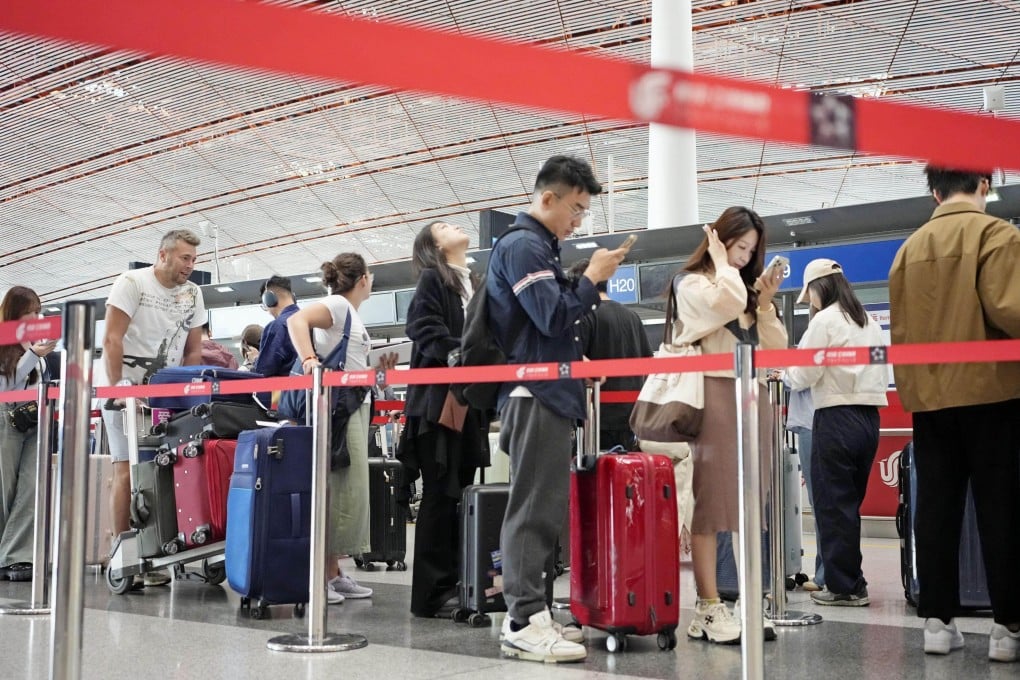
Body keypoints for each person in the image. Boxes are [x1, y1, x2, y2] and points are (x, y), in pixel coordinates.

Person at [487, 155, 628, 664]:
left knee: (544, 508)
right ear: (547, 198)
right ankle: (523, 618)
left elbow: (546, 326)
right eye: (575, 208)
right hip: (535, 395)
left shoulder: (538, 247)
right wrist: (591, 279)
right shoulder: (523, 245)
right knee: (532, 508)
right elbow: (548, 316)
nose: (578, 220)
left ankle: (534, 613)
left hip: (548, 391)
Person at [889, 166, 1020, 661]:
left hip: (929, 398)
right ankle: (1008, 628)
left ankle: (937, 624)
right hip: (991, 393)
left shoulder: (909, 249)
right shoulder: (997, 235)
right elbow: (1011, 309)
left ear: (934, 191)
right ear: (984, 185)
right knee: (999, 509)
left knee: (936, 509)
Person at [674, 207, 786, 644]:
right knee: (711, 504)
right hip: (711, 393)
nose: (744, 257)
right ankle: (707, 606)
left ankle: (746, 601)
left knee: (748, 505)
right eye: (739, 247)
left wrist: (766, 303)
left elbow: (775, 347)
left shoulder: (742, 289)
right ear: (719, 241)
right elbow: (723, 305)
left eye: (751, 251)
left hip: (749, 393)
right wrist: (723, 266)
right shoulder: (694, 283)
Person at [287, 253, 397, 606]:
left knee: (345, 487)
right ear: (363, 279)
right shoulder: (336, 304)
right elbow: (296, 321)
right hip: (337, 407)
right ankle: (319, 574)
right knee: (336, 487)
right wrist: (308, 360)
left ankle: (332, 572)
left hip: (350, 404)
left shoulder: (350, 314)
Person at [101, 229, 207, 588]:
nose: (190, 266)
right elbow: (112, 338)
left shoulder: (193, 293)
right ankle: (122, 551)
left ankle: (159, 549)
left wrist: (189, 392)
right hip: (127, 393)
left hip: (168, 397)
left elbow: (194, 349)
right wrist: (117, 387)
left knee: (167, 470)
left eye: (194, 259)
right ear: (163, 255)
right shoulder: (132, 282)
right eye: (184, 258)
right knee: (127, 471)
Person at [400, 221, 491, 618]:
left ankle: (458, 582)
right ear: (434, 244)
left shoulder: (472, 281)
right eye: (445, 226)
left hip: (469, 405)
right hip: (439, 406)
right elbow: (422, 330)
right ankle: (432, 594)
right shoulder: (433, 281)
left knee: (460, 496)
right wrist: (468, 355)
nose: (456, 225)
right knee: (440, 496)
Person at [784, 259, 887, 607]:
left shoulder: (824, 320)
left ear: (818, 288)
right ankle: (853, 581)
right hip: (869, 420)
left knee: (831, 505)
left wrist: (784, 377)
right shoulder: (868, 321)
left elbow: (803, 374)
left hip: (835, 417)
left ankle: (843, 587)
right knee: (850, 505)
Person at [565, 258, 653, 451]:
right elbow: (648, 364)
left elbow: (576, 365)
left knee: (594, 475)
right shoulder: (632, 317)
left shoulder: (583, 316)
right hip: (631, 416)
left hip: (596, 418)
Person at [0, 287, 57, 582]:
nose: (36, 316)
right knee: (4, 488)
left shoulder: (37, 346)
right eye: (30, 311)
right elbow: (6, 388)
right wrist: (32, 355)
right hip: (5, 418)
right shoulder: (5, 342)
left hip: (34, 421)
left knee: (31, 487)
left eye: (38, 310)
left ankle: (16, 555)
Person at [254, 275, 299, 377]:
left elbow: (263, 371)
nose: (269, 312)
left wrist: (256, 359)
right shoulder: (309, 319)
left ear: (269, 299)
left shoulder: (277, 326)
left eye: (265, 306)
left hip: (285, 390)